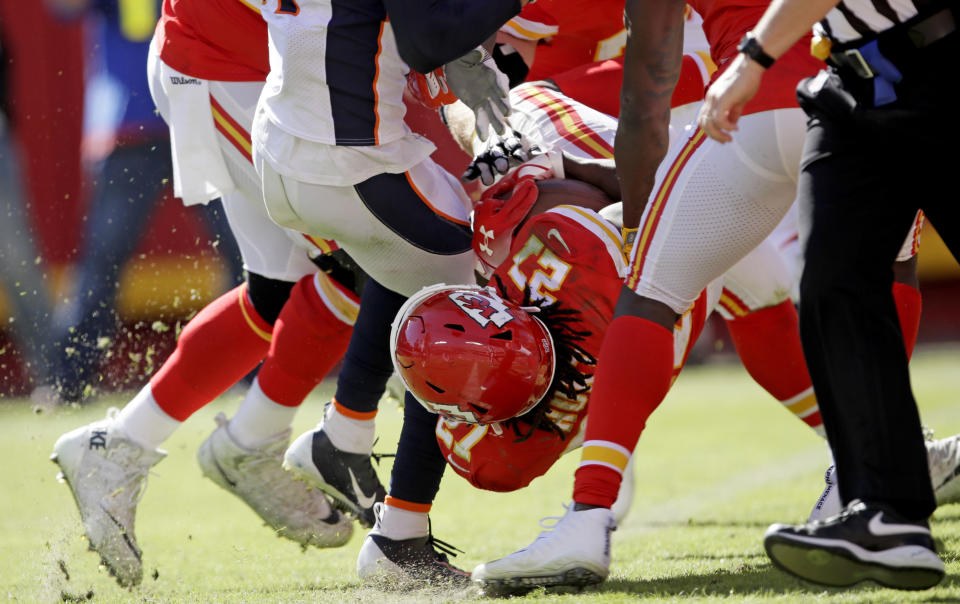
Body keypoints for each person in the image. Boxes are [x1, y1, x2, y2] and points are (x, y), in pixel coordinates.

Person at [464, 0, 953, 592]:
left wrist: (635, 230)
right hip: (860, 87)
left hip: (767, 100)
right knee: (871, 279)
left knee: (649, 295)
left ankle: (588, 517)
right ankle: (869, 479)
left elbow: (647, 90)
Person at [50, 0, 366, 587]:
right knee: (360, 260)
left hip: (248, 62)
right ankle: (250, 441)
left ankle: (123, 445)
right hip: (228, 62)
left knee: (282, 284)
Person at [699, 0, 960, 591]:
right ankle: (887, 514)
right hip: (847, 80)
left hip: (939, 56)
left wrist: (753, 56)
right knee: (833, 284)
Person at [43, 0, 244, 404]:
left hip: (193, 116)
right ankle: (71, 380)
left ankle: (247, 373)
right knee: (104, 258)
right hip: (129, 126)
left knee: (243, 249)